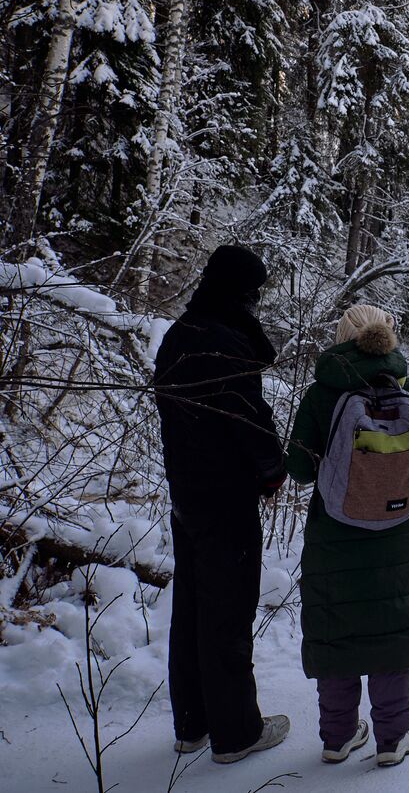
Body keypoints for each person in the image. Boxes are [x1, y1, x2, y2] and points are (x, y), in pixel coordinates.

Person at [285, 304, 409, 768]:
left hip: (334, 533)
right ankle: (392, 739)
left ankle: (337, 738)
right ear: (387, 337)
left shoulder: (321, 395)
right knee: (390, 633)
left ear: (342, 339)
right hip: (397, 530)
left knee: (337, 633)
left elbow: (300, 471)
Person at [153, 244, 290, 764]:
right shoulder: (224, 341)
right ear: (242, 291)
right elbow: (247, 417)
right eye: (254, 291)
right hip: (226, 499)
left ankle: (192, 724)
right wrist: (273, 471)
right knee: (227, 613)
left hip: (186, 495)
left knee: (190, 611)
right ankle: (236, 733)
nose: (256, 302)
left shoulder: (179, 336)